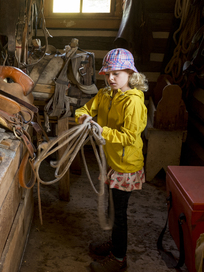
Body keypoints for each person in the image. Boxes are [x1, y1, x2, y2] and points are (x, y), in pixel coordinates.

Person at [75, 48, 148, 272]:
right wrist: (82, 117)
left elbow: (128, 137)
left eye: (116, 73)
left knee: (119, 214)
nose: (111, 78)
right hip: (111, 162)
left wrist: (101, 130)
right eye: (108, 74)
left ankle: (119, 258)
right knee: (112, 209)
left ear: (130, 73)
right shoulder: (106, 94)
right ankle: (114, 244)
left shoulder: (133, 103)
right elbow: (85, 109)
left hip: (125, 166)